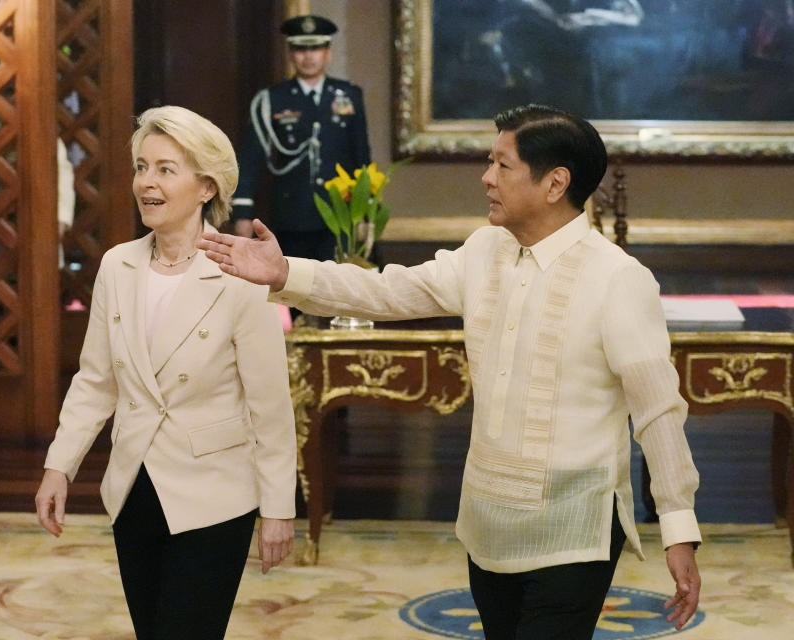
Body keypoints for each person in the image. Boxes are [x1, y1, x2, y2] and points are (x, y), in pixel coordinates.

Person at [199, 104, 702, 639]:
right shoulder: (484, 250)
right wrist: (285, 273)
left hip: (573, 530)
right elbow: (388, 290)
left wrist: (678, 530)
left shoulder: (619, 279)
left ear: (555, 183)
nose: (486, 177)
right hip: (486, 522)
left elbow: (658, 413)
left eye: (502, 166)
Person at [35, 105, 297, 639]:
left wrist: (278, 508)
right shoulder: (116, 265)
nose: (146, 183)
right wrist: (59, 465)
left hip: (214, 495)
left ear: (206, 187)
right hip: (134, 489)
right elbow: (96, 380)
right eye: (141, 167)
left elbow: (270, 406)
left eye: (165, 169)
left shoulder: (239, 276)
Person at [231, 13, 371, 261]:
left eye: (316, 48)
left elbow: (361, 156)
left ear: (328, 53)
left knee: (336, 292)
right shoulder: (273, 99)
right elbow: (250, 158)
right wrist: (242, 212)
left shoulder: (349, 95)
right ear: (290, 54)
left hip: (339, 215)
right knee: (292, 291)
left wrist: (367, 212)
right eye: (300, 49)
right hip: (291, 216)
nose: (308, 56)